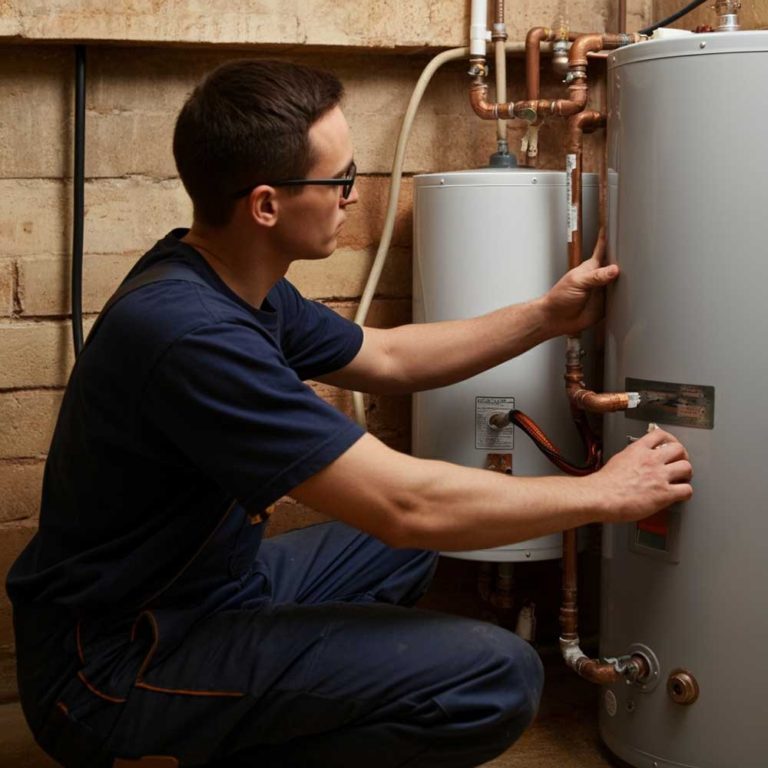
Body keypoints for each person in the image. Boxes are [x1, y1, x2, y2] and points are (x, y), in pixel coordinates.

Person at [6, 59, 693, 768]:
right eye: (339, 180)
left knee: (417, 541)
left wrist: (547, 316)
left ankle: (271, 690)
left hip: (213, 588)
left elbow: (388, 356)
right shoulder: (190, 335)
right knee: (496, 675)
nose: (353, 197)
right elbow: (402, 503)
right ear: (266, 205)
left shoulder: (232, 277)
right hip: (113, 669)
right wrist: (602, 493)